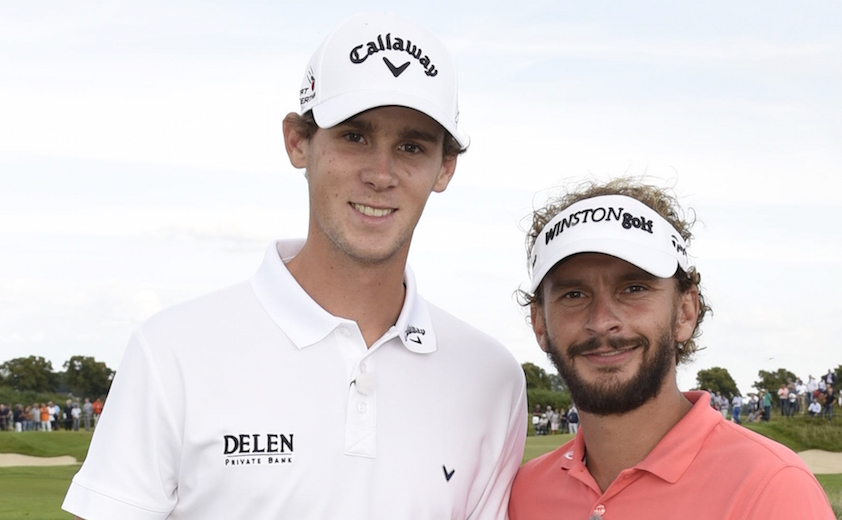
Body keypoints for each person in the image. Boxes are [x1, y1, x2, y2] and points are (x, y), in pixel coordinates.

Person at [63, 12, 526, 520]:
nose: (381, 174)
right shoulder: (171, 350)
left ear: (444, 168)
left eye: (411, 146)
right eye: (354, 136)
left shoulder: (491, 378)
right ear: (298, 142)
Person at [507, 178, 834, 519]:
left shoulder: (770, 487)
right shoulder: (524, 493)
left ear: (685, 312)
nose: (602, 321)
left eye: (633, 288)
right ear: (540, 322)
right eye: (574, 294)